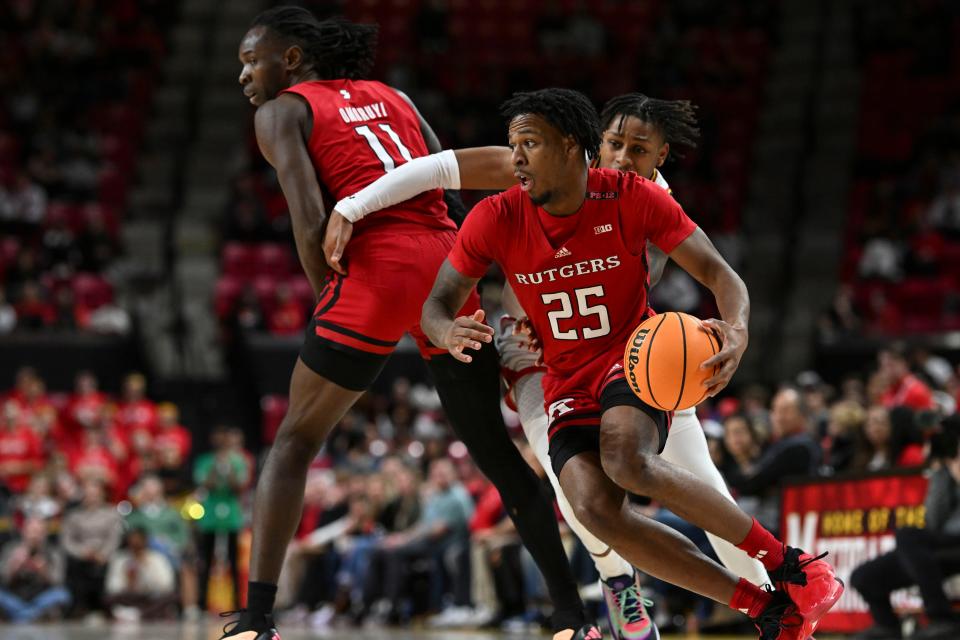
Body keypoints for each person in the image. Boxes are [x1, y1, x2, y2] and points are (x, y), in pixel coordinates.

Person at [325, 92, 771, 639]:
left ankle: (775, 608)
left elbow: (703, 274)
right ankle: (618, 582)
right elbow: (432, 168)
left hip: (633, 361)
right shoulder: (529, 164)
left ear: (660, 160)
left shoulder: (646, 197)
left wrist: (728, 330)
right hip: (538, 360)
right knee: (577, 498)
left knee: (706, 488)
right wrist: (351, 207)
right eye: (614, 143)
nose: (624, 157)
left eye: (640, 150)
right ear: (588, 140)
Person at [415, 88, 841, 639]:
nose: (514, 158)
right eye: (514, 144)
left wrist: (735, 330)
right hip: (562, 377)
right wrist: (447, 330)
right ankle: (767, 611)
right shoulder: (494, 217)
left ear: (572, 147)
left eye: (529, 144)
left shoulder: (634, 197)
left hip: (634, 359)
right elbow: (435, 304)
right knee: (591, 508)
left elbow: (720, 275)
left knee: (625, 459)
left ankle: (793, 565)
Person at [224, 9, 595, 639]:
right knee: (500, 458)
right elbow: (444, 179)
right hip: (446, 259)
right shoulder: (394, 95)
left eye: (249, 61)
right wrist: (461, 269)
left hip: (375, 266)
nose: (242, 76)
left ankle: (255, 621)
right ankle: (570, 618)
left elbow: (310, 214)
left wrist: (331, 301)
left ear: (289, 61)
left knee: (293, 443)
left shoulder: (282, 110)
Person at [850, 425, 960, 640]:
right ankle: (887, 626)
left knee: (909, 534)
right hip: (942, 545)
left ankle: (941, 617)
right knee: (863, 577)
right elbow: (933, 520)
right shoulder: (949, 475)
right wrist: (940, 471)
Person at [0, 517, 71, 623]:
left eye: (39, 532)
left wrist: (44, 571)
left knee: (63, 595)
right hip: (15, 596)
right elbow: (3, 579)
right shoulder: (10, 549)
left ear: (45, 534)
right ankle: (31, 617)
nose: (35, 536)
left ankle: (20, 618)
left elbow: (58, 581)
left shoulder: (53, 552)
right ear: (23, 532)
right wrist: (15, 567)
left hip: (41, 598)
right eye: (31, 531)